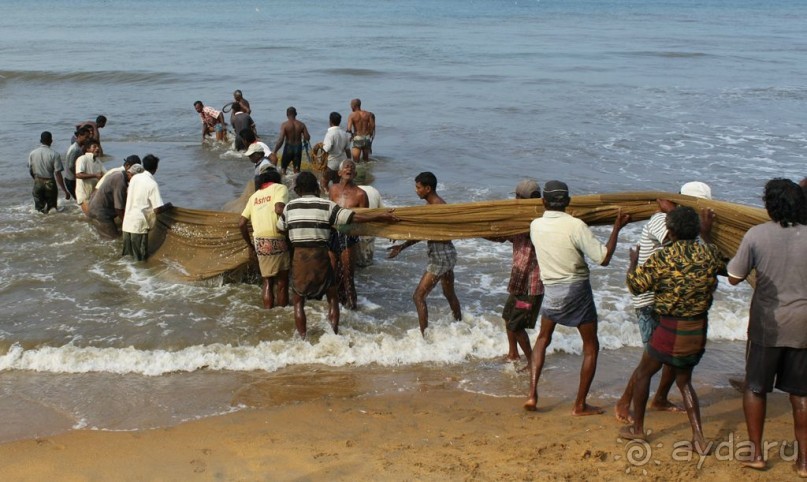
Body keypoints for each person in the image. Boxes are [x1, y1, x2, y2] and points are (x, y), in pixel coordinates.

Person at [621, 206, 725, 455]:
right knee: (685, 382)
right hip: (697, 329)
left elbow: (636, 287)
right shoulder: (709, 253)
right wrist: (707, 233)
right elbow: (718, 262)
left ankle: (638, 429)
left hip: (669, 328)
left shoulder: (663, 257)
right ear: (697, 229)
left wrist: (633, 264)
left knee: (644, 373)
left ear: (670, 231)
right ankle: (698, 437)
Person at [523, 180, 630, 415]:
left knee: (542, 339)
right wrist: (616, 228)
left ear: (543, 202)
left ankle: (532, 395)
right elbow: (603, 258)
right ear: (569, 202)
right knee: (591, 347)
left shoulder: (535, 226)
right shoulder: (576, 225)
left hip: (551, 290)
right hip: (576, 291)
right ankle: (579, 405)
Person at [726, 178, 807, 475]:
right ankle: (804, 462)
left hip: (767, 325)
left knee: (756, 388)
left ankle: (757, 454)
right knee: (800, 394)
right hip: (803, 326)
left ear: (768, 204)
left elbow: (734, 277)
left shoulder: (756, 235)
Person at [615, 181, 714, 423]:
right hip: (651, 300)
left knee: (672, 356)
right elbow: (676, 246)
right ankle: (624, 402)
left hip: (672, 301)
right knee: (652, 358)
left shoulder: (689, 227)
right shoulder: (662, 221)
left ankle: (659, 398)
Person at [276, 171, 398, 338]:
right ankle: (333, 334)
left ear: (297, 190)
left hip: (300, 259)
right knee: (332, 297)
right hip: (321, 259)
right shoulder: (327, 206)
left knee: (298, 301)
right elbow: (352, 217)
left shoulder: (290, 207)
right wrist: (380, 216)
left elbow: (280, 228)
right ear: (317, 187)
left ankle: (303, 338)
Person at [387, 172, 463, 336]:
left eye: (418, 187)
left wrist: (401, 244)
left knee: (418, 296)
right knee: (449, 294)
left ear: (428, 189)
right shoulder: (433, 206)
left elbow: (422, 233)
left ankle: (424, 337)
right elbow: (422, 232)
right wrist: (401, 246)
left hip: (441, 257)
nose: (416, 190)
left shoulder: (438, 208)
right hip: (447, 254)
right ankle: (460, 325)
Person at [487, 179, 544, 366]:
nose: (516, 200)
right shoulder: (520, 219)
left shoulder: (538, 222)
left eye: (520, 197)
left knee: (516, 325)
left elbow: (529, 234)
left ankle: (531, 362)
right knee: (507, 316)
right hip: (519, 280)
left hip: (531, 285)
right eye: (516, 196)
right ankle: (513, 354)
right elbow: (503, 237)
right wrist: (474, 229)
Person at [240, 168, 290, 309]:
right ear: (276, 180)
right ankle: (281, 314)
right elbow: (279, 209)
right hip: (277, 237)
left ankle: (268, 313)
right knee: (282, 280)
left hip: (260, 241)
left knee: (267, 281)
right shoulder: (280, 188)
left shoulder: (254, 196)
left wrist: (250, 245)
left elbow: (241, 223)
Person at [328, 159, 369, 310]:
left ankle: (352, 309)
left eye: (352, 167)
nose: (349, 169)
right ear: (339, 172)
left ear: (355, 174)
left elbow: (364, 219)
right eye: (346, 166)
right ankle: (335, 307)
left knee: (348, 276)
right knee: (333, 274)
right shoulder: (333, 189)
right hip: (332, 235)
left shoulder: (360, 194)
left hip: (349, 237)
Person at [121, 154, 172, 261]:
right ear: (156, 168)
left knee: (127, 260)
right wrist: (168, 206)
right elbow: (157, 210)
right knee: (140, 260)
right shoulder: (152, 184)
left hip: (127, 224)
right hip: (139, 227)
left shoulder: (134, 178)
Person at [87, 163, 144, 239]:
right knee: (113, 238)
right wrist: (127, 224)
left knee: (106, 234)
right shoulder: (120, 182)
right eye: (136, 178)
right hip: (100, 211)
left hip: (96, 205)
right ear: (129, 173)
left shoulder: (119, 174)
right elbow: (118, 209)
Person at [28, 131, 70, 213]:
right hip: (50, 184)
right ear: (51, 141)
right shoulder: (54, 154)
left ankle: (39, 224)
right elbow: (57, 173)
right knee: (52, 209)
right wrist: (65, 190)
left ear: (40, 140)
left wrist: (36, 180)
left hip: (38, 182)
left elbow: (31, 170)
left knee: (38, 210)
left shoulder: (32, 153)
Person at [274, 107, 311, 175]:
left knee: (283, 169)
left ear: (287, 114)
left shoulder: (285, 125)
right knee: (296, 171)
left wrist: (275, 151)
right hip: (298, 148)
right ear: (296, 114)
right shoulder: (301, 124)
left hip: (288, 148)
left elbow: (281, 140)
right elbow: (307, 137)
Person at [321, 112, 351, 192]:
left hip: (332, 164)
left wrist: (321, 161)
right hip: (342, 163)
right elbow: (347, 150)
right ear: (339, 121)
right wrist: (349, 162)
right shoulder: (344, 134)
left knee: (323, 183)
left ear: (330, 121)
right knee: (337, 183)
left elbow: (326, 149)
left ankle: (327, 196)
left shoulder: (330, 134)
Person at [74, 140, 105, 215]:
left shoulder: (98, 161)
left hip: (93, 194)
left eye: (98, 147)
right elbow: (78, 175)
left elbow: (106, 174)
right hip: (84, 194)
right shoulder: (82, 159)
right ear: (88, 149)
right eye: (94, 147)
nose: (97, 148)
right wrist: (95, 175)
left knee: (95, 216)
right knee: (90, 215)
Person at [356, 184, 382, 268]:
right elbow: (381, 210)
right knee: (367, 264)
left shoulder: (352, 191)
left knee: (354, 264)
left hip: (355, 231)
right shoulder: (374, 190)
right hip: (370, 230)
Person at [63, 126, 92, 199]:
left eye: (88, 137)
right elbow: (71, 166)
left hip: (71, 178)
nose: (87, 139)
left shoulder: (77, 147)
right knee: (81, 199)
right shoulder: (75, 149)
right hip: (71, 179)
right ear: (79, 136)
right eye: (86, 137)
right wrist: (79, 176)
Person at [346, 98, 375, 163]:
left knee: (356, 162)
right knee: (366, 161)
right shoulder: (368, 114)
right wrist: (369, 134)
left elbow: (349, 129)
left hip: (357, 138)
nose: (350, 107)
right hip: (366, 138)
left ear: (354, 106)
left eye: (351, 105)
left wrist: (351, 137)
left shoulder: (352, 115)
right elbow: (372, 126)